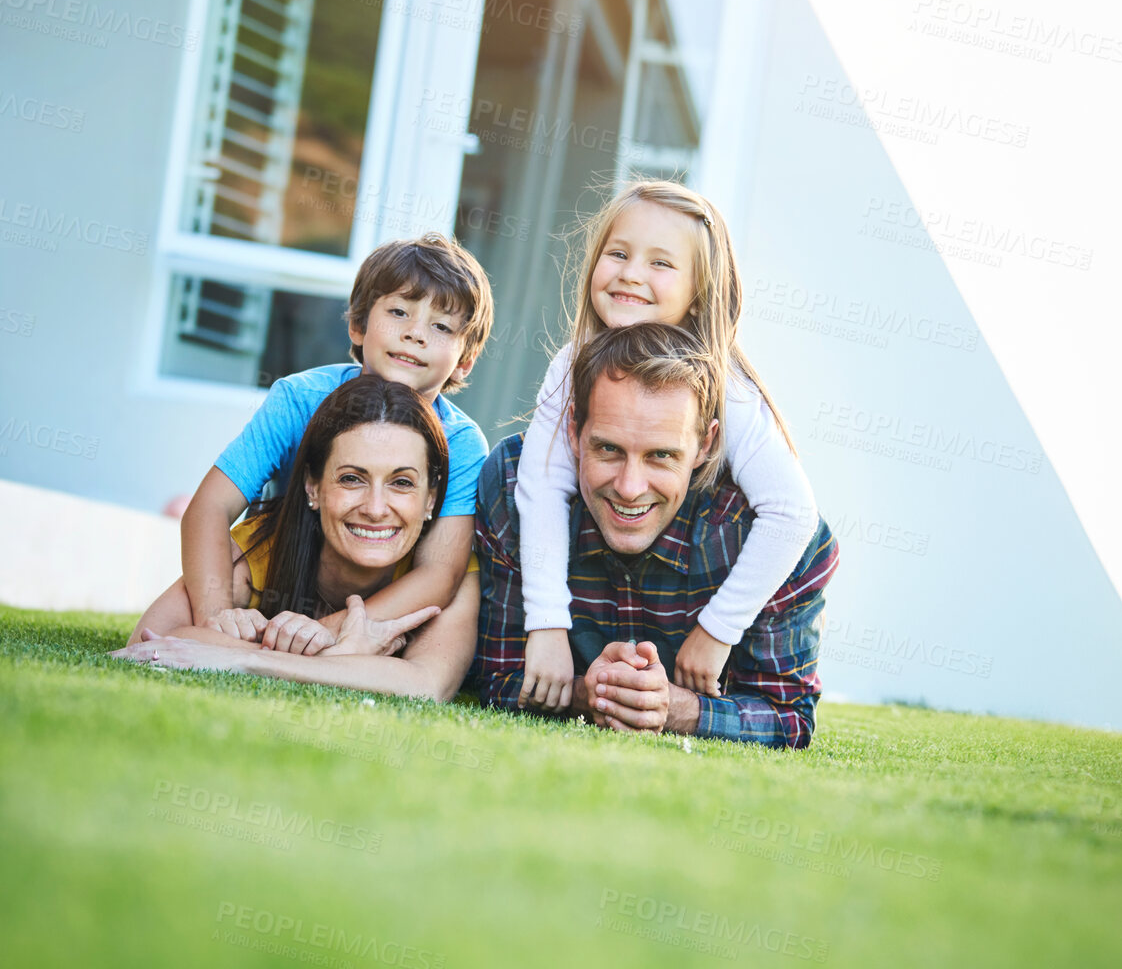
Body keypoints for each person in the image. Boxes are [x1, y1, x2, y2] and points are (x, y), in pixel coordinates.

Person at [517, 179, 818, 712]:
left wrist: (718, 630)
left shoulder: (730, 390)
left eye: (660, 263)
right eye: (618, 253)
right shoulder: (571, 365)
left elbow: (793, 514)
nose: (631, 273)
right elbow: (541, 487)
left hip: (692, 593)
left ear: (699, 291)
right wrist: (546, 625)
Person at [476, 324, 839, 748]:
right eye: (608, 449)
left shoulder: (763, 535)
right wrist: (588, 693)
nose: (630, 487)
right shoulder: (514, 486)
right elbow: (494, 679)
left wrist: (676, 707)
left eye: (661, 455)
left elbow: (788, 719)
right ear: (573, 431)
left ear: (706, 444)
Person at [128, 233, 493, 649]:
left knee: (460, 586)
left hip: (388, 588)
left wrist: (332, 628)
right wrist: (217, 616)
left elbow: (438, 574)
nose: (415, 334)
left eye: (442, 326)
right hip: (288, 565)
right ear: (358, 325)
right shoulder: (300, 399)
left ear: (465, 359)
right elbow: (210, 508)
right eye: (398, 312)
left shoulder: (462, 444)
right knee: (154, 633)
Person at [113, 377, 478, 701]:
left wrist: (246, 658)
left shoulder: (450, 577)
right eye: (352, 478)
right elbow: (153, 639)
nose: (376, 508)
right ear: (312, 487)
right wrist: (345, 657)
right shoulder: (264, 546)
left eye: (401, 483)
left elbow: (427, 684)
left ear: (430, 500)